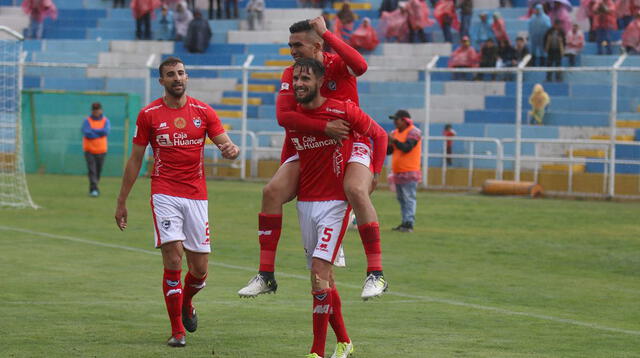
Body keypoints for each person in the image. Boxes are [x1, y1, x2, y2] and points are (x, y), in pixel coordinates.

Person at [238, 17, 389, 301]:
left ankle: (376, 274)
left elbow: (361, 66)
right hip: (310, 144)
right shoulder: (291, 74)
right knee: (271, 192)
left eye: (298, 45)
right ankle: (266, 275)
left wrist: (327, 33)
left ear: (318, 44)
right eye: (290, 45)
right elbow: (284, 116)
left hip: (349, 142)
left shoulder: (337, 64)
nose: (293, 51)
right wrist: (324, 127)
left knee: (355, 189)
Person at [114, 57, 240, 347]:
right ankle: (177, 331)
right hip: (164, 192)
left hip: (196, 196)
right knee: (173, 258)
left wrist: (230, 149)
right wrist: (122, 202)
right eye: (171, 74)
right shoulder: (149, 115)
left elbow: (224, 143)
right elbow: (135, 161)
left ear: (187, 77)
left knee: (199, 270)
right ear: (162, 81)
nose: (177, 78)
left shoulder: (203, 112)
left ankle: (186, 302)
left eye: (181, 73)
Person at [290, 57, 387, 358]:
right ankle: (344, 342)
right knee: (324, 281)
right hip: (306, 204)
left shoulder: (342, 110)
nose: (299, 84)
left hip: (335, 205)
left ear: (320, 81)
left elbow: (379, 135)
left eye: (305, 79)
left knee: (319, 274)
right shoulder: (292, 116)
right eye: (295, 79)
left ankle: (316, 352)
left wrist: (374, 174)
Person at [387, 110, 422, 233]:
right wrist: (388, 142)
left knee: (409, 198)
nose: (395, 122)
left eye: (397, 119)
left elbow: (407, 148)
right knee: (402, 199)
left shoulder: (414, 132)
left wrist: (394, 140)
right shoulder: (394, 133)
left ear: (405, 120)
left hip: (410, 171)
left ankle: (409, 223)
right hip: (398, 172)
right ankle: (404, 222)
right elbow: (389, 152)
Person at [81, 102, 110, 197]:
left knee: (98, 170)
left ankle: (94, 187)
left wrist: (93, 131)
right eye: (94, 110)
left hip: (101, 150)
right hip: (89, 150)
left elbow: (105, 131)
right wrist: (99, 133)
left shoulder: (105, 120)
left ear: (101, 110)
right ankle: (94, 189)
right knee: (92, 170)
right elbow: (87, 132)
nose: (96, 111)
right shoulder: (87, 121)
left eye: (97, 110)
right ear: (92, 111)